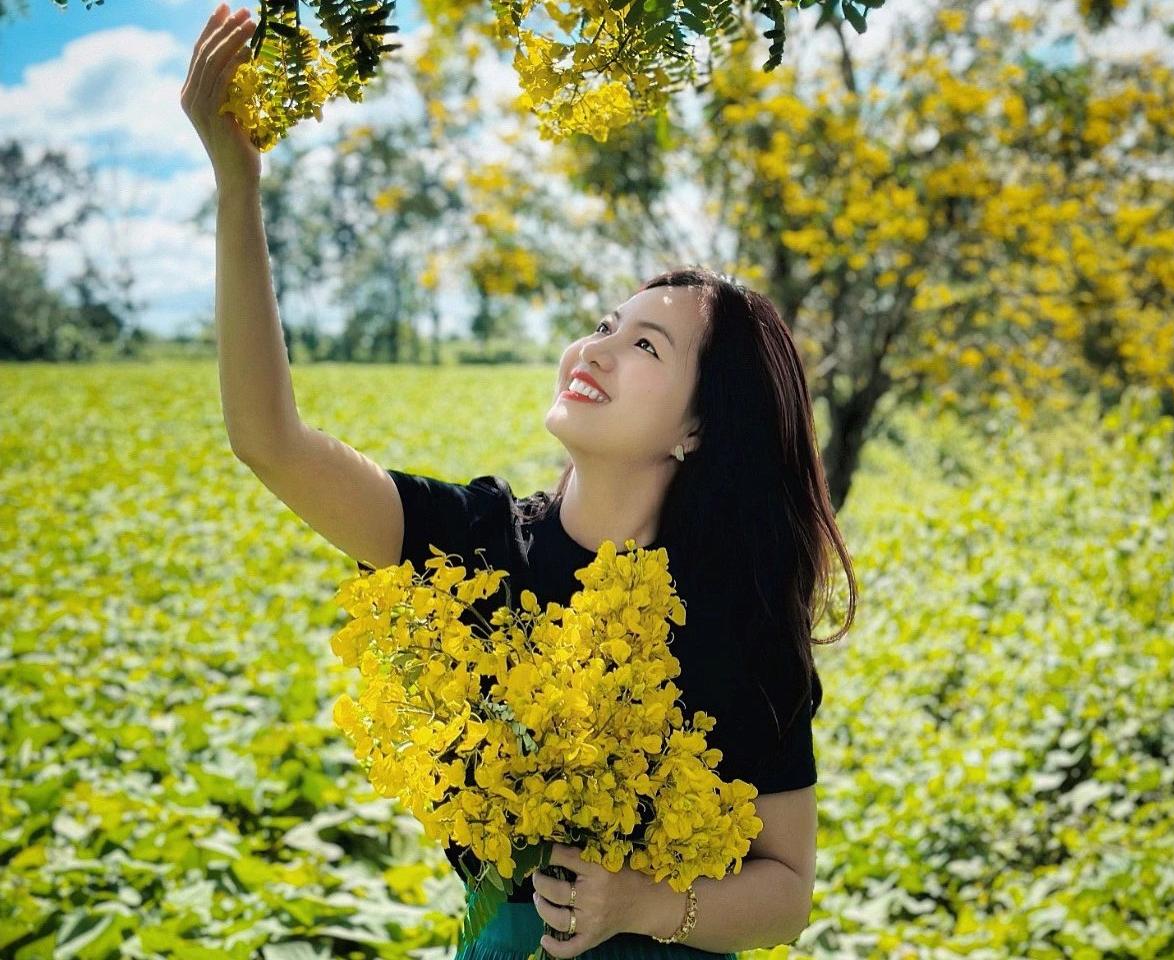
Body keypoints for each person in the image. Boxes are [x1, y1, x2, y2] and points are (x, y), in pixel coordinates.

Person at [182, 9, 857, 959]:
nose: (595, 349)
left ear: (700, 429)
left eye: (646, 344)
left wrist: (636, 903)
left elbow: (787, 895)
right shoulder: (475, 543)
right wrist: (236, 183)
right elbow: (269, 441)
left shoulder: (736, 617)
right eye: (606, 322)